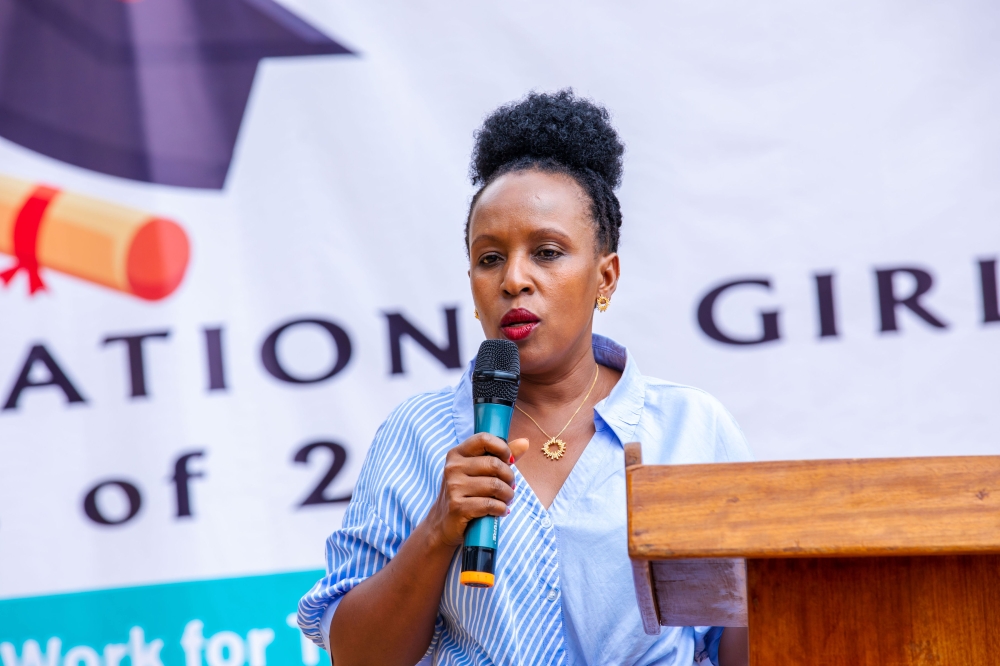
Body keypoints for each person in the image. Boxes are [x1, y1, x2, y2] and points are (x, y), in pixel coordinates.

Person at [298, 90, 752, 666]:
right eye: (490, 259)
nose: (514, 279)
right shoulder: (418, 434)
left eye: (547, 252)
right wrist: (439, 529)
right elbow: (356, 656)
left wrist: (771, 583)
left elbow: (742, 638)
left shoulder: (690, 428)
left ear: (605, 277)